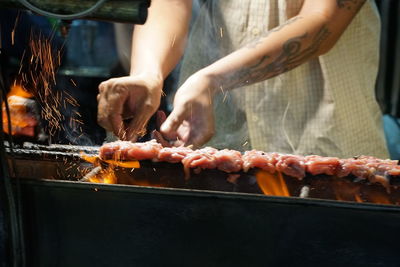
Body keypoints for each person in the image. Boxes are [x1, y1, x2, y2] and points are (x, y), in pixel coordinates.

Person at [97, 0, 389, 159]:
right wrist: (149, 73)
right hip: (216, 134)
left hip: (322, 134)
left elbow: (324, 20)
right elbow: (171, 3)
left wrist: (213, 80)